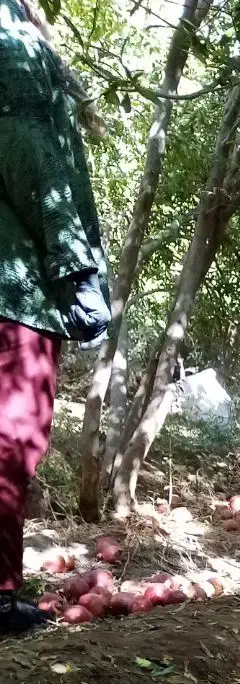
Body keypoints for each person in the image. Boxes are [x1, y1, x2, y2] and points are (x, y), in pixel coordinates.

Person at [0, 0, 110, 634]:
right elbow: (33, 154)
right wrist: (75, 271)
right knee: (10, 438)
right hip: (12, 292)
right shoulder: (15, 43)